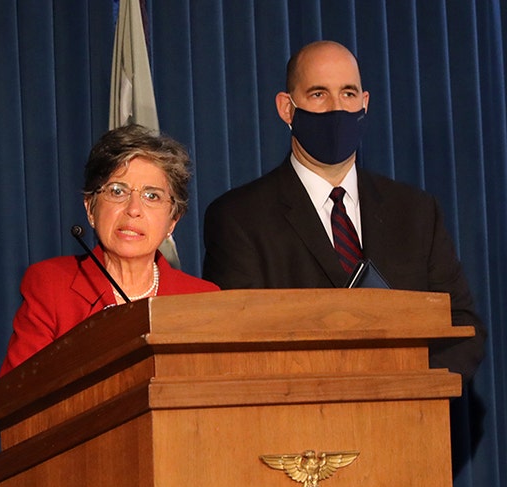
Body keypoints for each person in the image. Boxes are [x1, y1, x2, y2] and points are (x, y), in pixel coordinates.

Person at [202, 40, 485, 380]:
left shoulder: (416, 212)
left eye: (348, 94)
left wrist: (402, 384)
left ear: (365, 104)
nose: (337, 108)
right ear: (286, 108)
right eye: (319, 94)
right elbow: (239, 341)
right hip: (297, 423)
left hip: (410, 419)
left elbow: (462, 327)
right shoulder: (238, 218)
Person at [0, 125, 220, 374]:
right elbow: (17, 398)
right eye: (117, 191)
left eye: (152, 196)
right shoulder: (51, 286)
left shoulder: (203, 299)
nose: (133, 209)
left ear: (172, 220)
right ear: (90, 208)